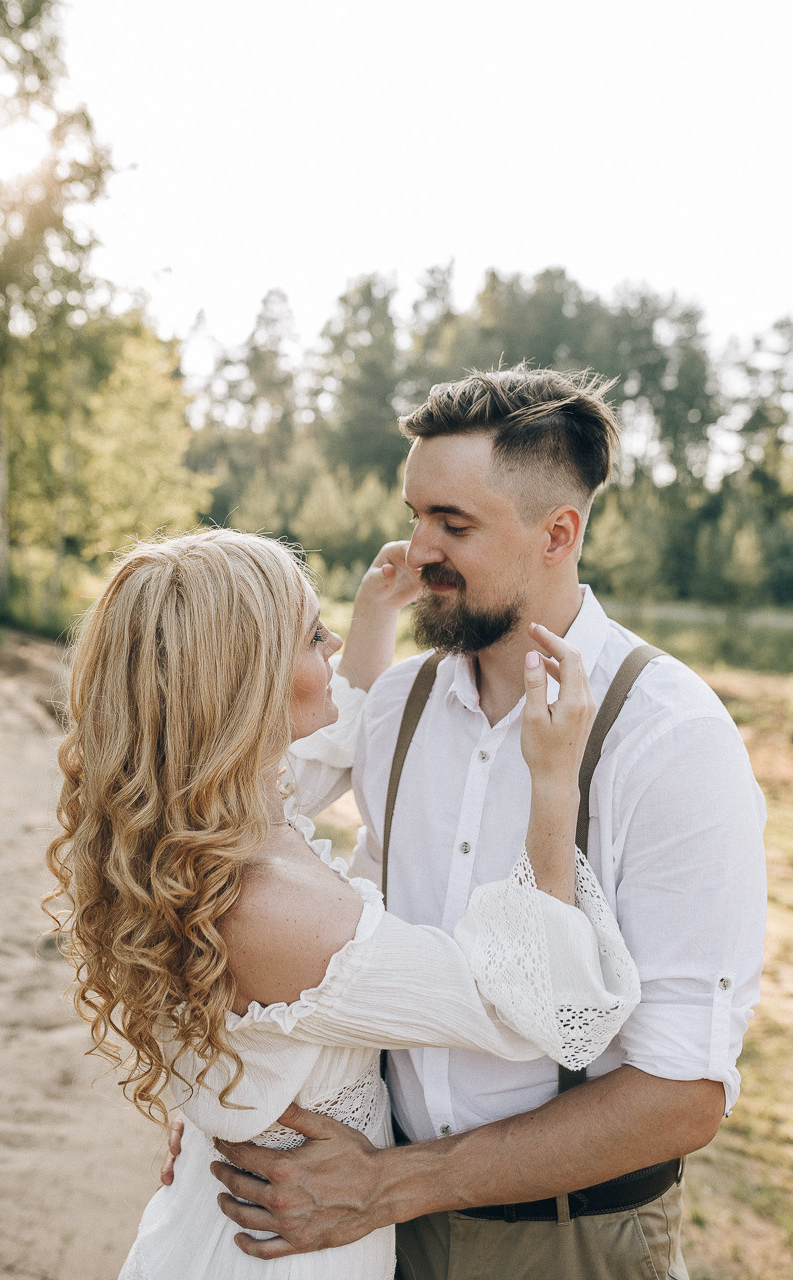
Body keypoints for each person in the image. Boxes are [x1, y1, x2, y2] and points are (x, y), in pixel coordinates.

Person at [205, 369, 767, 1280]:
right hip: (371, 1232)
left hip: (568, 1240)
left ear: (558, 534)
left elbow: (680, 1095)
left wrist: (393, 1186)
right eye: (415, 512)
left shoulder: (672, 739)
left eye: (452, 525)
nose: (416, 548)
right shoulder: (395, 707)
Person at [44, 526, 641, 1280]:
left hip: (208, 1223)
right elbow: (541, 1007)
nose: (330, 647)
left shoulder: (193, 825)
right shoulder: (276, 909)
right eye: (310, 636)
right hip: (282, 1255)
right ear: (244, 681)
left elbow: (325, 740)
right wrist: (554, 782)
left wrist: (373, 612)